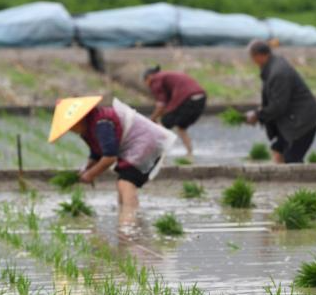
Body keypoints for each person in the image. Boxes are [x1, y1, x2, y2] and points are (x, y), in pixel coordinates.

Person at [48, 95, 176, 212]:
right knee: (122, 185)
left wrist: (90, 174)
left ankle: (129, 225)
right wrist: (86, 169)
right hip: (137, 146)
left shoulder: (102, 123)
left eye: (71, 126)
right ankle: (128, 218)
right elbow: (96, 153)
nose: (71, 130)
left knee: (126, 182)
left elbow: (109, 157)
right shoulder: (88, 129)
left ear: (80, 119)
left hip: (145, 143)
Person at [244, 40, 316, 164]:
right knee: (278, 149)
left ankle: (298, 182)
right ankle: (280, 180)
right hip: (295, 120)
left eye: (252, 57)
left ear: (259, 55)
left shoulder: (278, 73)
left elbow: (278, 106)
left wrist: (257, 115)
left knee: (292, 159)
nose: (252, 61)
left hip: (302, 123)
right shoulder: (273, 65)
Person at [143, 65, 207, 157]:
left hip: (187, 99)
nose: (147, 85)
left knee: (163, 124)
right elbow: (167, 105)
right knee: (181, 127)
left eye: (145, 82)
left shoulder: (155, 80)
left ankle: (158, 155)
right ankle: (190, 153)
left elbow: (161, 105)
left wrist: (152, 119)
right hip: (201, 98)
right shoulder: (165, 76)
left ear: (149, 77)